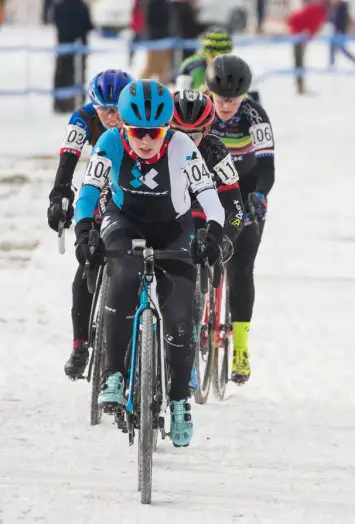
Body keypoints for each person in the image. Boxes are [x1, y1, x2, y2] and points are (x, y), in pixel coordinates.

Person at [73, 79, 226, 447]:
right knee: (123, 275)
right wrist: (82, 233)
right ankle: (113, 375)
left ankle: (177, 400)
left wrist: (215, 234)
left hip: (174, 227)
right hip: (124, 221)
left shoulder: (183, 147)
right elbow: (89, 192)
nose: (145, 141)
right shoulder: (109, 143)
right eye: (138, 132)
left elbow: (209, 196)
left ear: (167, 128)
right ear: (124, 127)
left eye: (155, 132)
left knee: (179, 315)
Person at [47, 69, 134, 380]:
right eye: (104, 110)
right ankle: (80, 343)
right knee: (85, 267)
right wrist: (59, 195)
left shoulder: (140, 115)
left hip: (132, 191)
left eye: (117, 109)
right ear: (92, 106)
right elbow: (68, 160)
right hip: (99, 187)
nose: (111, 116)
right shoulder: (82, 118)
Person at [169, 88, 250, 392]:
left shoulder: (216, 151)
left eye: (196, 134)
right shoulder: (154, 145)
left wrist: (226, 238)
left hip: (202, 217)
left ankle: (187, 356)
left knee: (195, 272)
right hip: (165, 216)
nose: (188, 141)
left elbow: (236, 206)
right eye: (179, 132)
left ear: (207, 129)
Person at [205, 54, 275, 384]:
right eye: (222, 99)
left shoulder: (254, 116)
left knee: (242, 265)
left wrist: (259, 195)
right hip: (206, 186)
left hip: (245, 189)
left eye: (234, 99)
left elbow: (266, 167)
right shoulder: (199, 111)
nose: (227, 106)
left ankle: (241, 350)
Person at [175, 27, 263, 106]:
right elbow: (179, 101)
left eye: (223, 58)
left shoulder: (240, 68)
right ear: (206, 54)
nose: (219, 65)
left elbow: (255, 101)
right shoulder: (190, 66)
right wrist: (201, 94)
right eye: (213, 57)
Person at [287, 0, 327, 95]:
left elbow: (312, 25)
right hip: (298, 35)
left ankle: (300, 85)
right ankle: (300, 85)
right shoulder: (318, 10)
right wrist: (308, 35)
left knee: (299, 60)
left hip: (299, 34)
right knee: (299, 60)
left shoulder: (317, 9)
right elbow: (311, 25)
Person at [329, 0, 355, 68]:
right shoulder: (336, 7)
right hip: (336, 31)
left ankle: (354, 60)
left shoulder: (342, 7)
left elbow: (342, 21)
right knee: (333, 47)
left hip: (340, 32)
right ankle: (331, 63)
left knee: (341, 48)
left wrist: (340, 31)